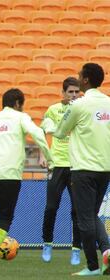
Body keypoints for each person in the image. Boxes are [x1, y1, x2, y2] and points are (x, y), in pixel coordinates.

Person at [0, 88, 53, 272]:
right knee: (5, 217)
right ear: (18, 103)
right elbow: (38, 134)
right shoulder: (21, 117)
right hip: (11, 174)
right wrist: (50, 158)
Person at [54, 63, 110, 276]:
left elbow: (60, 132)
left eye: (79, 76)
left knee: (83, 217)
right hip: (105, 168)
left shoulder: (78, 104)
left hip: (84, 169)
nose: (77, 78)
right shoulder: (109, 103)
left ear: (85, 80)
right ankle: (106, 252)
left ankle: (93, 266)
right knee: (91, 214)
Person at [39, 77, 82, 265]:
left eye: (76, 91)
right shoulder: (53, 109)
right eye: (70, 92)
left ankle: (76, 249)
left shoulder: (81, 110)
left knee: (77, 210)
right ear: (63, 93)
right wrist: (42, 155)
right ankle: (47, 244)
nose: (73, 95)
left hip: (76, 165)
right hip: (57, 165)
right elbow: (42, 131)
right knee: (51, 207)